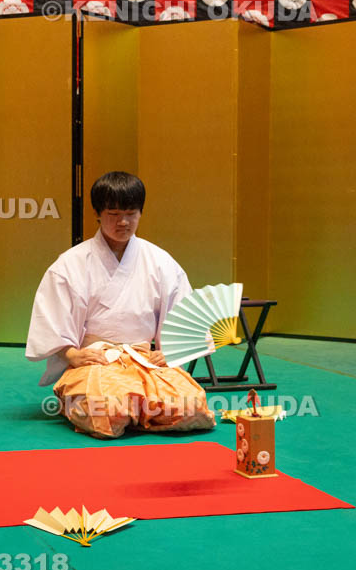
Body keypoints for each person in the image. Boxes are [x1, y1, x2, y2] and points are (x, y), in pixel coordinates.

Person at [25, 171, 215, 438]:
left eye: (131, 213)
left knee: (191, 407)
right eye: (113, 214)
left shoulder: (161, 262)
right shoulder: (70, 264)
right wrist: (72, 355)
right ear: (98, 213)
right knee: (107, 411)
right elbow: (52, 320)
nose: (123, 222)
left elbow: (185, 316)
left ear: (141, 213)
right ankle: (128, 410)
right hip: (95, 360)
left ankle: (138, 411)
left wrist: (173, 351)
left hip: (145, 360)